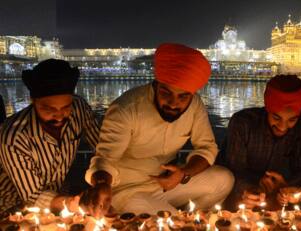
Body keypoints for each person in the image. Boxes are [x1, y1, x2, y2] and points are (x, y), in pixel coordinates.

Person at [85, 43, 234, 214]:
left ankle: (191, 219)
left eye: (183, 97)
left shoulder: (195, 105)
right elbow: (105, 159)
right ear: (156, 84)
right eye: (166, 93)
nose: (173, 103)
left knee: (224, 179)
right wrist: (102, 185)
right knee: (167, 220)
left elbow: (207, 147)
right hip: (127, 191)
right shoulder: (126, 108)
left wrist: (184, 173)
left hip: (167, 184)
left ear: (191, 95)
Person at [0, 59, 100, 216]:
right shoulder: (14, 137)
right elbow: (33, 196)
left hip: (60, 194)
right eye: (49, 109)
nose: (59, 116)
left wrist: (102, 181)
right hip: (14, 206)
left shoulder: (78, 108)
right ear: (33, 101)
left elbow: (102, 146)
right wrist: (70, 203)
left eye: (66, 107)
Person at [223, 75, 301, 210]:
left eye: (292, 120)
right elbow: (234, 168)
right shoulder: (243, 122)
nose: (282, 127)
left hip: (281, 197)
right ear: (267, 109)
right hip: (243, 196)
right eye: (276, 117)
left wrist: (287, 185)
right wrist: (252, 186)